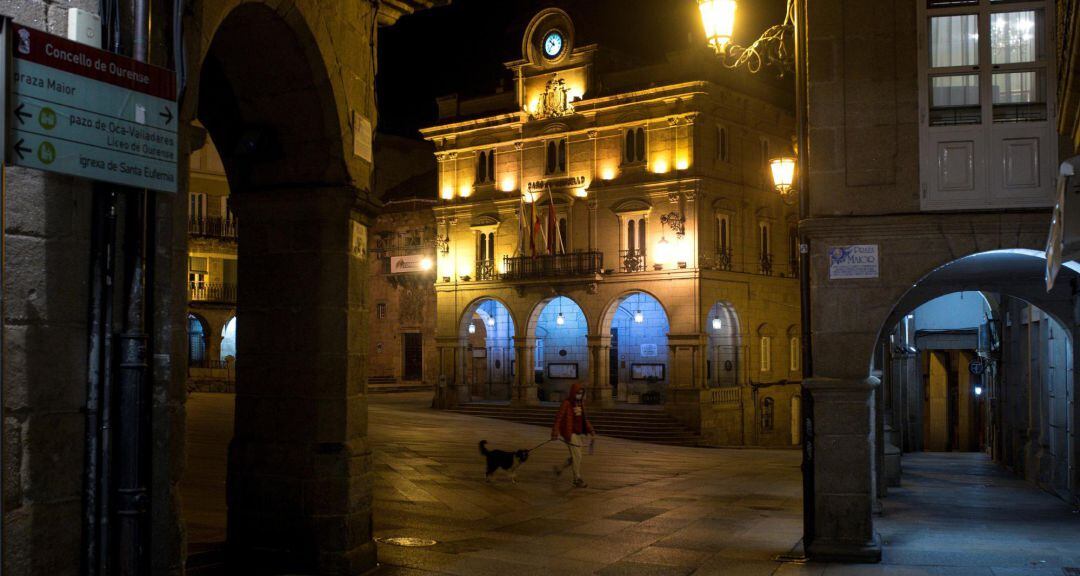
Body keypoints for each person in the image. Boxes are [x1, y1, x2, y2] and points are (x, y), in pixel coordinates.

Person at [551, 382, 596, 487]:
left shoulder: (581, 403)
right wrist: (555, 432)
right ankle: (577, 479)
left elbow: (584, 419)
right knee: (578, 456)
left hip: (578, 433)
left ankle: (560, 468)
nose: (579, 394)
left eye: (581, 393)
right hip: (569, 433)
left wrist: (591, 430)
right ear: (573, 392)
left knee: (575, 456)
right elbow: (559, 417)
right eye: (578, 393)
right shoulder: (566, 403)